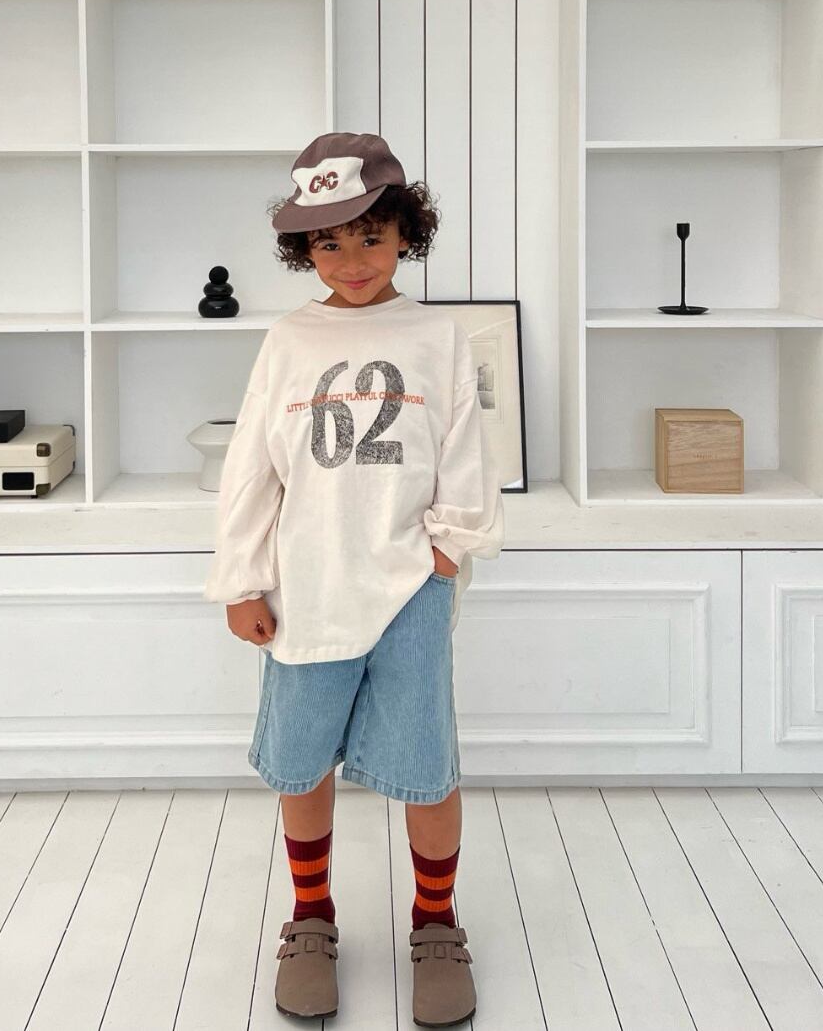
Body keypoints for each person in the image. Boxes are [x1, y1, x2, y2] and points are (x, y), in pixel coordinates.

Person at [202, 131, 504, 1026]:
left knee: (426, 766)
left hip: (412, 590)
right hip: (307, 586)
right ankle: (311, 918)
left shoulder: (438, 335)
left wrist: (447, 551)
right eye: (329, 243)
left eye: (371, 236)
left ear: (407, 232)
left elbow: (465, 450)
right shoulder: (290, 340)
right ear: (305, 250)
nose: (353, 260)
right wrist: (242, 580)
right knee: (302, 762)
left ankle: (437, 924)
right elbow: (253, 467)